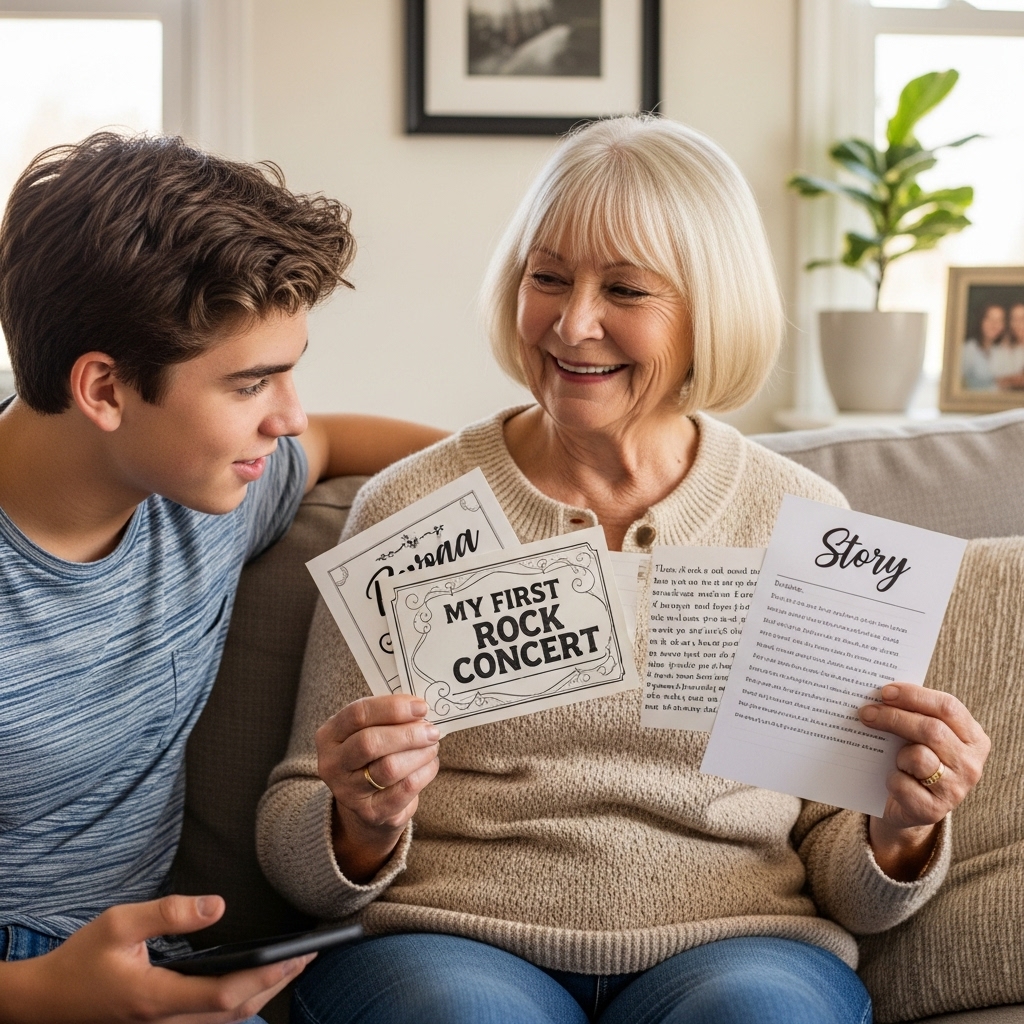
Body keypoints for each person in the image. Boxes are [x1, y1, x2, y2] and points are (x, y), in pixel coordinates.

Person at [256, 116, 991, 1024]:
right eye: (548, 277)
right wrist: (356, 822)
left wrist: (904, 828)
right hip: (449, 942)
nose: (572, 323)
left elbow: (848, 875)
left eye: (627, 290)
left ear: (706, 314)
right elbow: (295, 832)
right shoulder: (411, 509)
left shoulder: (801, 523)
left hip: (738, 945)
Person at [0, 133, 446, 1023]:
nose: (289, 413)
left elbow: (338, 443)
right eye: (252, 384)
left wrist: (553, 480)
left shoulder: (204, 493)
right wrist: (44, 995)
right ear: (104, 388)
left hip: (156, 959)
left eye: (292, 370)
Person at [961, 302, 1006, 390]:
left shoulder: (1002, 351)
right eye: (989, 318)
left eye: (999, 320)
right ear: (981, 320)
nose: (994, 324)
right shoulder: (968, 350)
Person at [995, 300, 1024, 390]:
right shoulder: (1002, 350)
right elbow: (997, 382)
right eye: (1014, 319)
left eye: (1022, 319)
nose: (1018, 324)